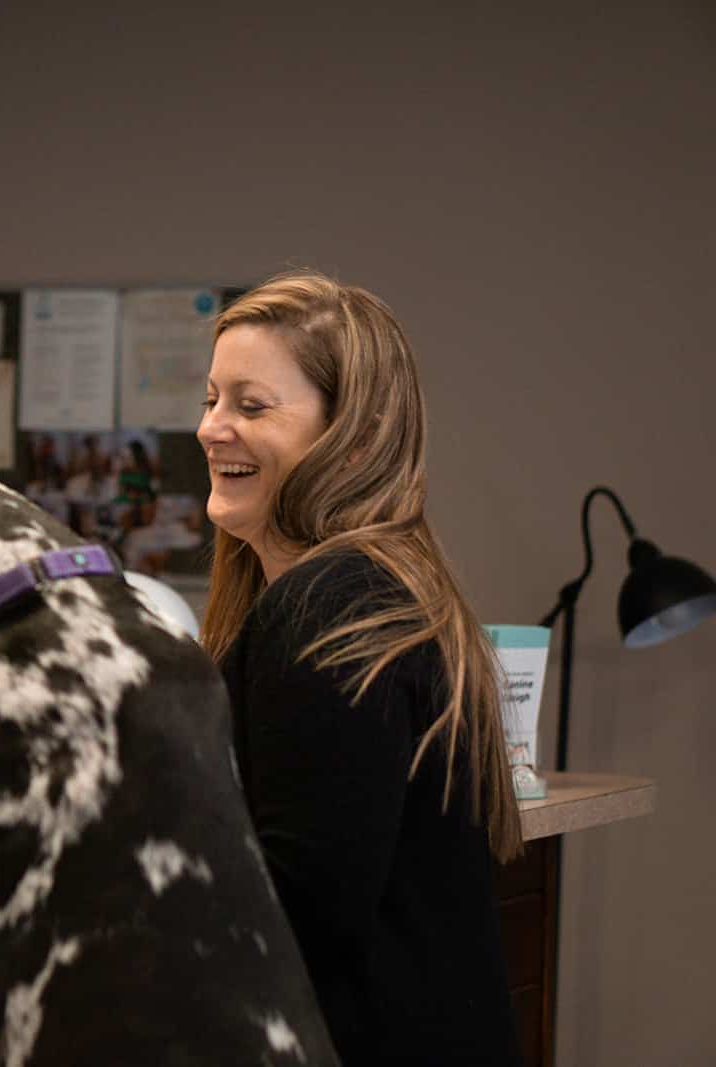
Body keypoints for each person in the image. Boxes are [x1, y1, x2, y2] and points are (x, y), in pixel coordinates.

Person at [195, 271, 523, 1066]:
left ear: (354, 432)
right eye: (210, 399)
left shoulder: (330, 606)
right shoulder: (375, 587)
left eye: (250, 404)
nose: (210, 428)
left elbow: (301, 912)